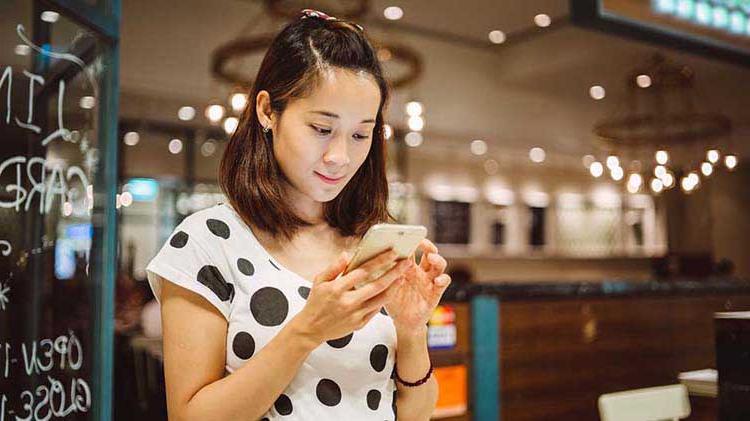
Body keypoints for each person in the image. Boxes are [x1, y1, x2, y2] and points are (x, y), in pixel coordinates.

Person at [145, 9, 451, 420]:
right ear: (268, 111)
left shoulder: (374, 241)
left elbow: (416, 414)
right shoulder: (208, 241)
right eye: (322, 129)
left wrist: (412, 330)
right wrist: (308, 330)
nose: (340, 156)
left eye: (361, 134)